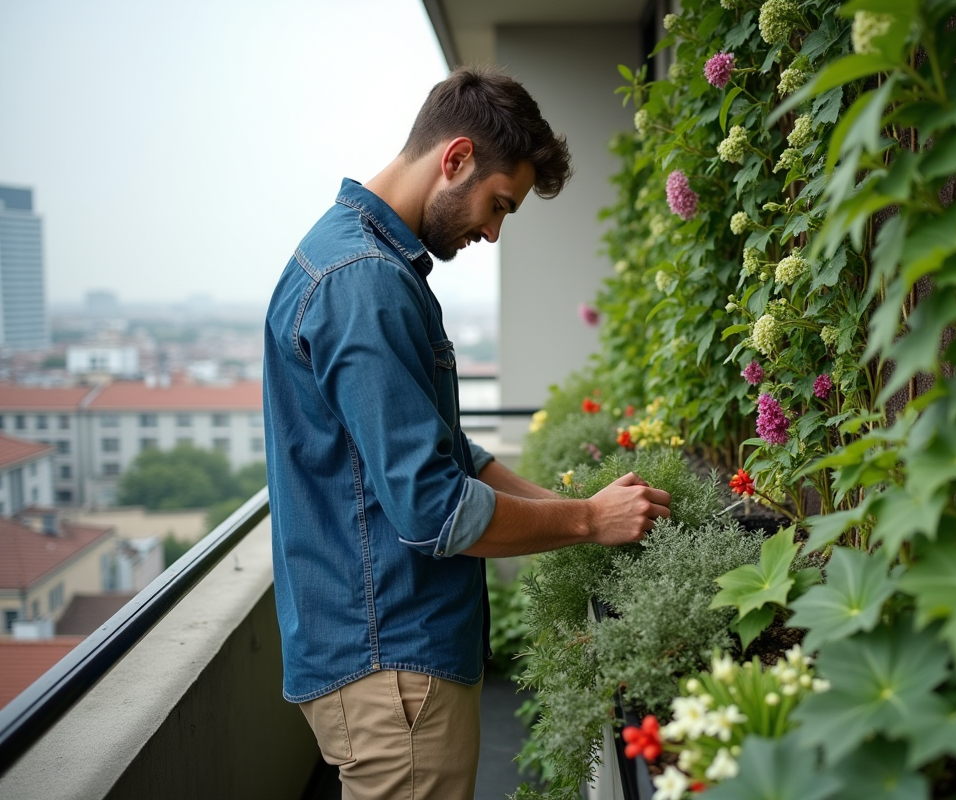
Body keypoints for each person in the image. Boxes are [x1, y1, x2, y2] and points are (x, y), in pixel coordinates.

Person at [262, 67, 671, 800]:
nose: (492, 230)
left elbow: (452, 456)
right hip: (393, 671)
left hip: (384, 662)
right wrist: (584, 520)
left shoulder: (352, 259)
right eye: (498, 204)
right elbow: (434, 507)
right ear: (454, 159)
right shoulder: (364, 281)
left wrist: (575, 510)